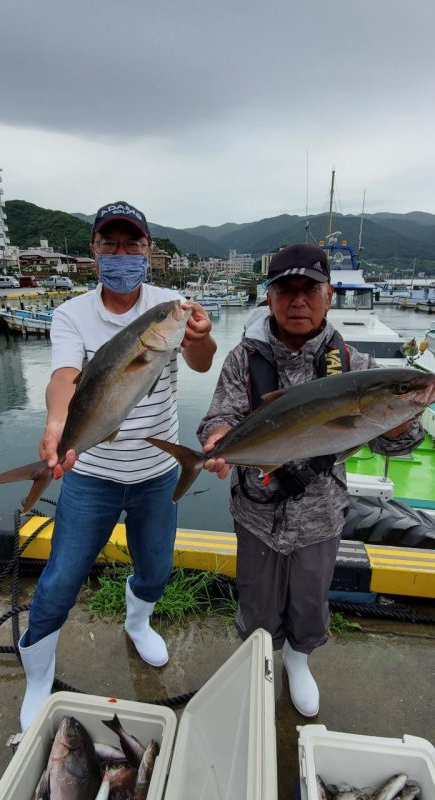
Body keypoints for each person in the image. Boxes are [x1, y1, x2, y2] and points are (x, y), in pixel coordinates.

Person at [197, 243, 434, 718]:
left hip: (321, 515)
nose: (298, 301)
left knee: (309, 602)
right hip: (257, 513)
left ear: (328, 296)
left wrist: (402, 418)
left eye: (310, 290)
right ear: (270, 299)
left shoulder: (355, 365)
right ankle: (260, 659)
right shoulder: (243, 360)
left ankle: (299, 661)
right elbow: (219, 417)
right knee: (258, 604)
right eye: (287, 290)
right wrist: (219, 440)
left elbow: (395, 445)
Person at [18, 201, 216, 731]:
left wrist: (201, 336)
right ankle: (38, 675)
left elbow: (200, 360)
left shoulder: (168, 309)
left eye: (133, 245)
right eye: (112, 245)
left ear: (149, 250)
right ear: (95, 251)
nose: (123, 254)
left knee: (155, 570)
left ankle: (138, 620)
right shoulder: (71, 314)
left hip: (156, 474)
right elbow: (64, 375)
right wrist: (57, 425)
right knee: (60, 580)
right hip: (91, 472)